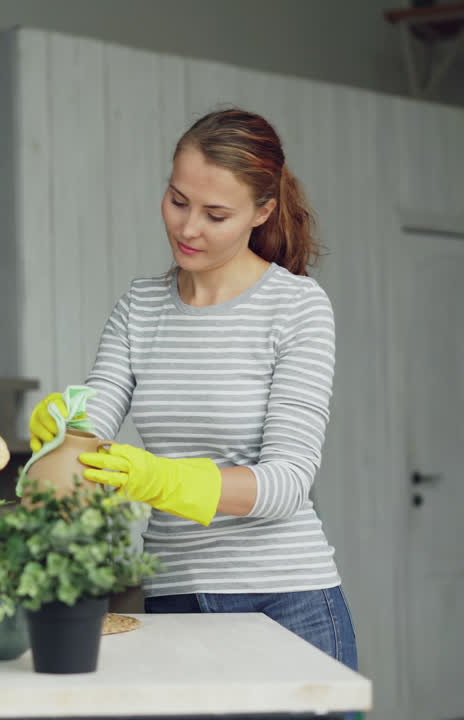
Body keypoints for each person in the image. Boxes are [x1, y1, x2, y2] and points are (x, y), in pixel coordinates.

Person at [27, 108, 356, 672]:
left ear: (263, 211)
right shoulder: (140, 306)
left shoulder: (297, 306)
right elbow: (91, 424)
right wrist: (63, 435)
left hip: (285, 601)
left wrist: (162, 479)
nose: (188, 228)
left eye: (216, 214)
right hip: (174, 600)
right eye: (178, 201)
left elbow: (287, 482)